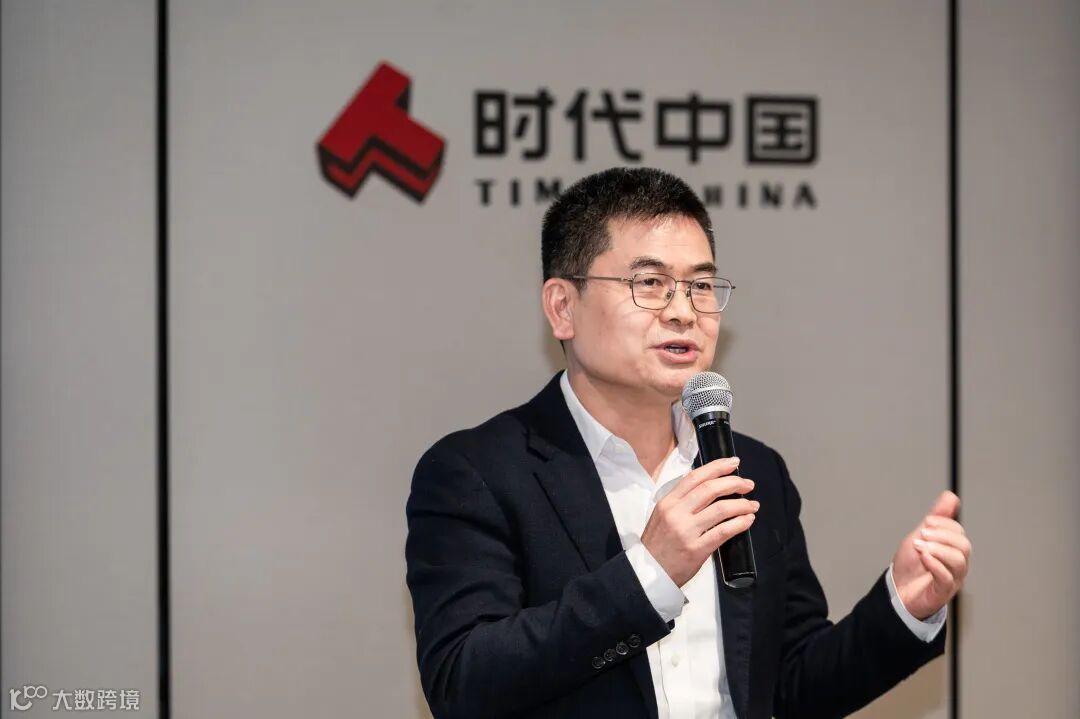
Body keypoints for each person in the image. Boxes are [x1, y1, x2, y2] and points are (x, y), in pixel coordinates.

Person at [405, 167, 971, 719]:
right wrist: (650, 573)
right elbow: (462, 682)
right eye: (649, 284)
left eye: (700, 286)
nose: (683, 312)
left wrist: (902, 608)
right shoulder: (478, 473)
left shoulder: (752, 470)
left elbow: (789, 687)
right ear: (562, 307)